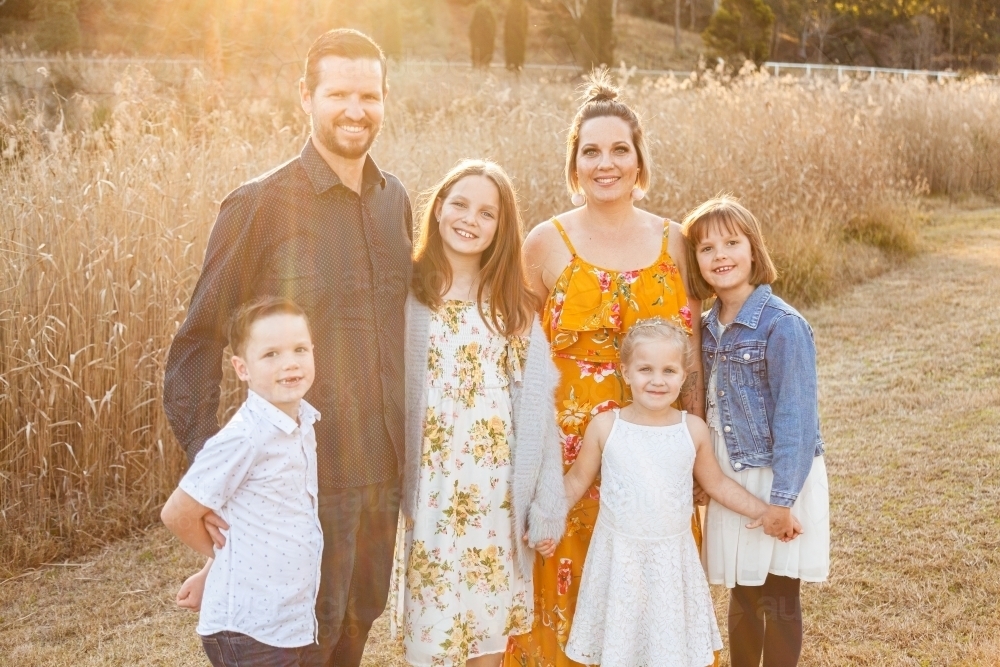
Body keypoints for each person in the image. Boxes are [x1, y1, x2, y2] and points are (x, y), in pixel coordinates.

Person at [162, 29, 412, 667]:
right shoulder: (260, 204)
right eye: (338, 94)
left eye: (369, 95)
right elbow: (196, 344)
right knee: (303, 638)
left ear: (384, 99)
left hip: (380, 469)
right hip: (299, 480)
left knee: (358, 621)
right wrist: (214, 471)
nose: (355, 110)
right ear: (306, 96)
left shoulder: (395, 202)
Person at [506, 72, 704, 666]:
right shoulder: (546, 241)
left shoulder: (678, 242)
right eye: (590, 151)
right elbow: (513, 349)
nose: (605, 163)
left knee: (651, 580)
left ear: (640, 160)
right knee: (569, 576)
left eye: (620, 149)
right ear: (574, 163)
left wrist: (698, 441)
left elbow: (699, 347)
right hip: (565, 448)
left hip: (654, 447)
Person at [392, 159, 567, 667]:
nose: (471, 219)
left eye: (487, 212)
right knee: (433, 639)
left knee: (487, 643)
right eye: (461, 204)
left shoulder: (511, 307)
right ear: (439, 208)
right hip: (432, 494)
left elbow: (539, 413)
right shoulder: (407, 296)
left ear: (501, 228)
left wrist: (547, 501)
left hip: (495, 497)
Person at [561, 318, 800, 667]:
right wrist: (542, 519)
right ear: (625, 372)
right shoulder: (606, 426)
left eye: (669, 370)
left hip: (671, 562)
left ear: (684, 375)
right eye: (645, 369)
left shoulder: (691, 429)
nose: (657, 380)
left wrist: (764, 512)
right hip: (619, 558)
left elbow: (716, 483)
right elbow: (576, 481)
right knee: (621, 645)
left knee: (668, 648)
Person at [682, 197, 830, 667]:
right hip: (730, 475)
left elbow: (797, 421)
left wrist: (783, 500)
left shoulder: (782, 325)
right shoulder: (704, 329)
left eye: (732, 242)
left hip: (776, 474)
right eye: (706, 248)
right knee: (743, 593)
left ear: (753, 250)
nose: (720, 255)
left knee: (779, 594)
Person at [161, 297, 322, 667]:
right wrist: (221, 561)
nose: (290, 363)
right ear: (242, 368)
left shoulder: (302, 424)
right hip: (249, 630)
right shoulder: (245, 437)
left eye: (300, 349)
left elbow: (252, 520)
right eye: (271, 355)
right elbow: (177, 513)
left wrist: (209, 572)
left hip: (287, 622)